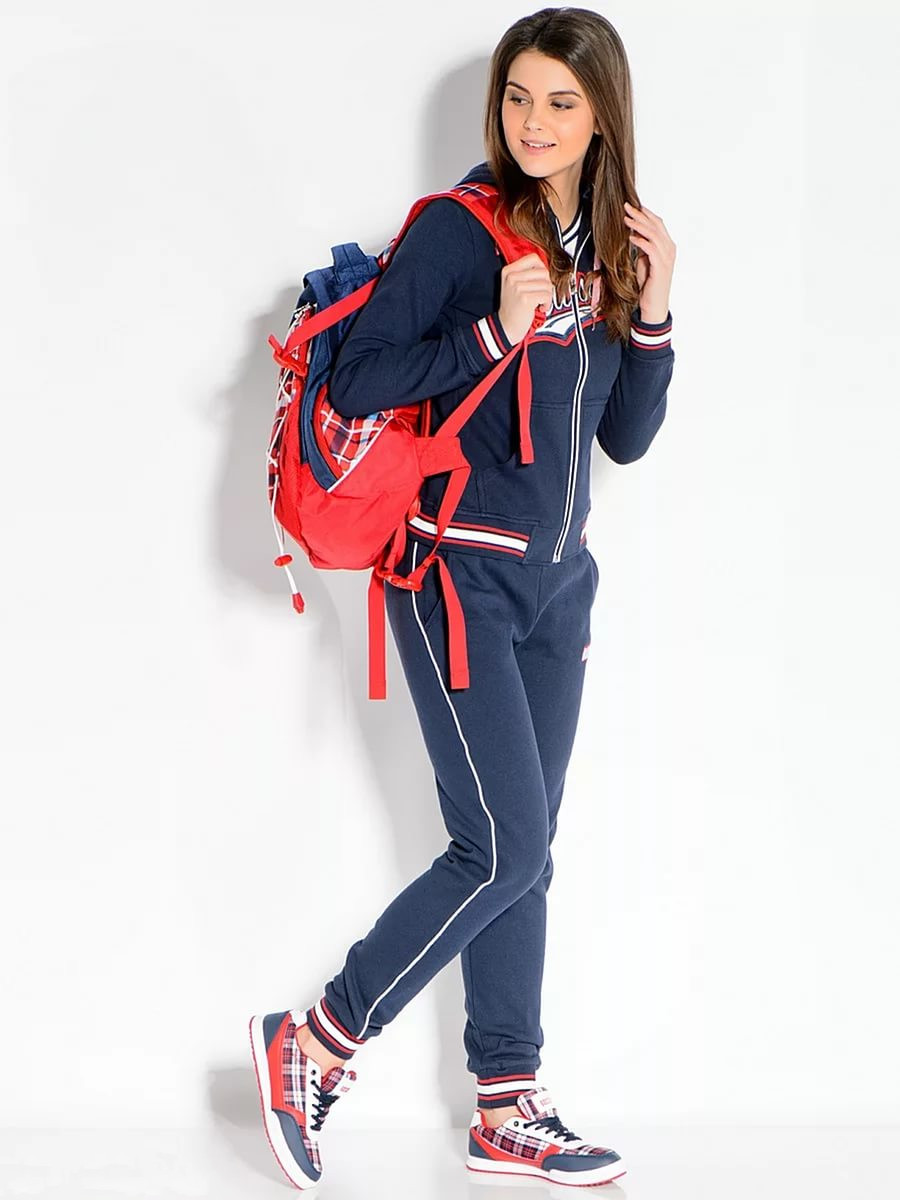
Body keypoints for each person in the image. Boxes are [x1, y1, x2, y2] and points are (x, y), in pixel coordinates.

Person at [249, 5, 676, 1189]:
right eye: (518, 97)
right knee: (502, 847)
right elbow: (362, 376)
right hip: (454, 579)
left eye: (562, 102)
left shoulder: (606, 251)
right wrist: (494, 330)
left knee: (527, 855)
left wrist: (651, 315)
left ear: (604, 116)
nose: (534, 123)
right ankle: (314, 1045)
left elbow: (626, 439)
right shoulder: (458, 228)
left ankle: (506, 1105)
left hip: (557, 592)